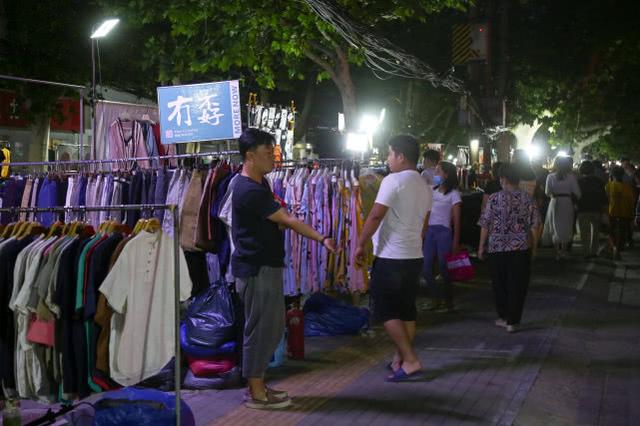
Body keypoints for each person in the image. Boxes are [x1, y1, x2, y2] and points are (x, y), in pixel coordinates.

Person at [232, 128, 336, 409]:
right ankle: (254, 391)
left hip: (266, 265)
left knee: (272, 327)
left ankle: (259, 383)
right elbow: (288, 220)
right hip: (256, 268)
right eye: (268, 153)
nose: (273, 159)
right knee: (261, 329)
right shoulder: (248, 189)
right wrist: (321, 238)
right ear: (250, 156)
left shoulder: (260, 184)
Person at [354, 135, 432, 382]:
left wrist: (361, 244)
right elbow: (425, 223)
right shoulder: (423, 183)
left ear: (401, 156)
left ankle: (410, 360)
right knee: (406, 311)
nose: (387, 159)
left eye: (389, 154)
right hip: (414, 255)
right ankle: (401, 359)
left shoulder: (393, 180)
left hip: (391, 256)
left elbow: (376, 215)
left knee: (386, 310)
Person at [478, 164, 541, 333]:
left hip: (496, 248)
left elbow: (485, 224)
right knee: (518, 284)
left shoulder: (493, 198)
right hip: (520, 248)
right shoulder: (527, 199)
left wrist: (480, 246)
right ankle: (513, 321)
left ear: (503, 179)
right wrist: (534, 248)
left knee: (500, 284)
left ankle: (504, 316)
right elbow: (535, 226)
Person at [422, 160, 462, 312]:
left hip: (444, 232)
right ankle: (435, 298)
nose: (435, 174)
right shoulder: (433, 190)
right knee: (426, 269)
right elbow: (428, 212)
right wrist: (423, 231)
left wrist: (456, 242)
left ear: (447, 174)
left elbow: (457, 220)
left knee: (444, 269)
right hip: (431, 232)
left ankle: (448, 300)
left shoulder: (454, 194)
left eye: (438, 171)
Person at [543, 156, 581, 260]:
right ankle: (564, 251)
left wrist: (554, 194)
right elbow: (578, 193)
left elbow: (547, 192)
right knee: (566, 225)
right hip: (567, 203)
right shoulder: (571, 177)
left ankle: (557, 252)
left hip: (555, 202)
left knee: (555, 226)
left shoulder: (550, 176)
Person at [577, 161, 607, 259]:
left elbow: (576, 196)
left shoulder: (579, 181)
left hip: (583, 209)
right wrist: (604, 209)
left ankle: (585, 252)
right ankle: (593, 251)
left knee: (584, 232)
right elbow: (604, 196)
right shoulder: (599, 181)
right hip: (596, 209)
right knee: (595, 232)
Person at [606, 166, 635, 260]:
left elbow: (606, 199)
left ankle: (614, 247)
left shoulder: (609, 185)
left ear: (612, 175)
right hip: (625, 212)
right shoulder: (627, 188)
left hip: (612, 212)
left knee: (611, 231)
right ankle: (618, 249)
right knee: (622, 232)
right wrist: (632, 214)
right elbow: (631, 202)